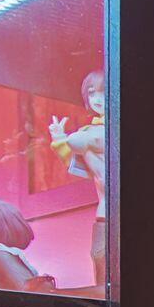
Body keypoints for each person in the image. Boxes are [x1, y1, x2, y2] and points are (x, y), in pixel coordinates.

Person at [48, 70, 107, 289]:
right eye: (92, 93)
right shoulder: (89, 131)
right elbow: (76, 153)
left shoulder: (100, 132)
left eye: (103, 92)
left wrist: (67, 140)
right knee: (101, 259)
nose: (98, 99)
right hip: (105, 213)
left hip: (119, 213)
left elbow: (81, 141)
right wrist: (60, 139)